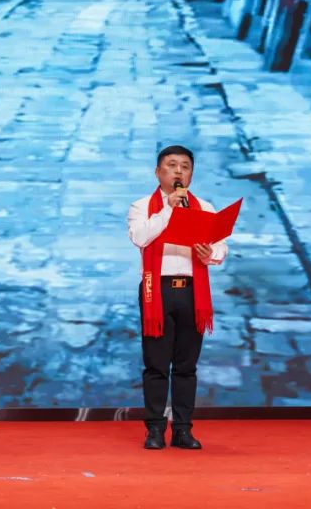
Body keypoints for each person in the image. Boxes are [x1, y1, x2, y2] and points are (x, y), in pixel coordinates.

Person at [127, 145, 228, 451]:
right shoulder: (142, 206)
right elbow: (140, 237)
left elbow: (221, 246)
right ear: (158, 172)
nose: (178, 171)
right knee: (156, 364)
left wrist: (210, 253)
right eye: (171, 165)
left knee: (186, 365)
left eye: (185, 166)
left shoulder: (205, 207)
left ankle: (183, 429)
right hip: (156, 290)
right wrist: (169, 209)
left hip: (192, 291)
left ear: (191, 174)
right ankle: (155, 429)